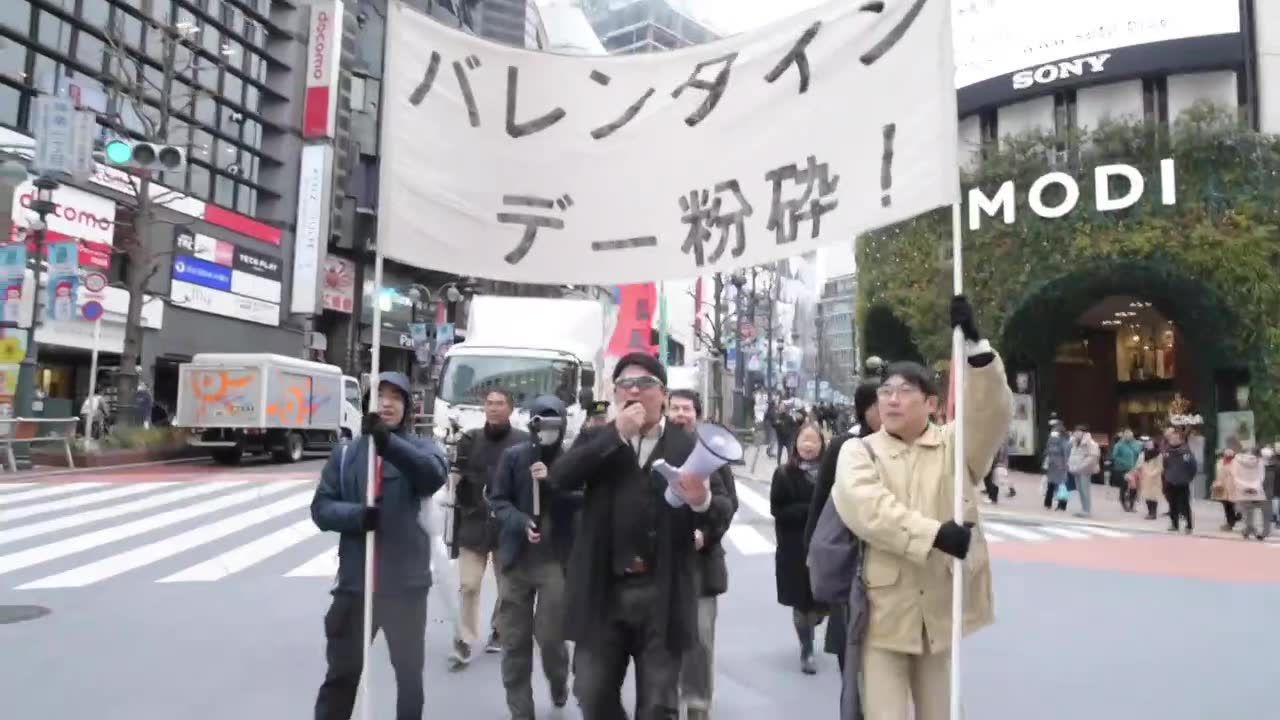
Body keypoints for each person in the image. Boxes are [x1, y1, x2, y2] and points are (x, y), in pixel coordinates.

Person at [831, 296, 1013, 720]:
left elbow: (992, 412)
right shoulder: (859, 452)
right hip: (883, 616)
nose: (891, 400)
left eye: (904, 392)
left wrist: (977, 350)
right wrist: (934, 534)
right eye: (885, 392)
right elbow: (866, 508)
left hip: (939, 613)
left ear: (931, 404)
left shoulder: (955, 446)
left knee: (944, 713)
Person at [548, 352, 721, 720]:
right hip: (604, 589)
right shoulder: (598, 437)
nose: (634, 391)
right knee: (592, 692)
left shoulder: (687, 445)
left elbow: (722, 504)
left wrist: (702, 501)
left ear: (663, 395)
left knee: (659, 705)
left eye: (645, 384)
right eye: (626, 384)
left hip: (663, 591)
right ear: (614, 394)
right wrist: (615, 433)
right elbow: (561, 478)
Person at [311, 371, 449, 720]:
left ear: (407, 407)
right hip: (356, 587)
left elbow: (432, 476)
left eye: (395, 397)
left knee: (408, 678)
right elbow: (321, 508)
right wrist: (357, 516)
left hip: (405, 589)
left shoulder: (422, 449)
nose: (386, 403)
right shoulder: (345, 455)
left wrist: (388, 444)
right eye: (379, 396)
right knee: (341, 676)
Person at [489, 396, 576, 719]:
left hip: (554, 562)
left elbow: (582, 500)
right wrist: (520, 522)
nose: (548, 431)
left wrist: (551, 483)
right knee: (514, 641)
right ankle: (520, 711)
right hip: (516, 562)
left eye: (555, 424)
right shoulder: (514, 458)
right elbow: (498, 501)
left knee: (551, 637)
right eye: (542, 423)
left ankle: (558, 681)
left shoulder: (572, 460)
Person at [668, 389, 737, 720]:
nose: (680, 414)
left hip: (700, 563)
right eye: (675, 408)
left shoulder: (711, 453)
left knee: (699, 640)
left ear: (697, 414)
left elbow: (727, 505)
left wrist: (706, 535)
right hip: (660, 562)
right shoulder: (656, 447)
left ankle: (697, 707)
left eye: (687, 409)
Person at [803, 382, 879, 679]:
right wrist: (812, 551)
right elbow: (821, 500)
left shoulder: (902, 443)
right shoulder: (845, 445)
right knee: (849, 639)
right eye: (878, 403)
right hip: (848, 555)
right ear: (864, 409)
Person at [450, 387, 529, 669]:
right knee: (468, 584)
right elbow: (455, 474)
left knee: (508, 587)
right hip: (473, 523)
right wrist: (450, 487)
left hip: (507, 525)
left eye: (499, 403)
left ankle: (499, 628)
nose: (493, 408)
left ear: (510, 408)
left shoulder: (523, 442)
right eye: (489, 403)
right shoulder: (470, 439)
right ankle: (466, 637)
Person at [771, 422, 828, 675]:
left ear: (821, 445)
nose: (808, 445)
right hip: (793, 548)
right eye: (803, 439)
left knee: (820, 602)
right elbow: (777, 510)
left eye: (813, 440)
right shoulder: (783, 473)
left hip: (823, 547)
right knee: (800, 602)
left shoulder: (830, 474)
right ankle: (806, 648)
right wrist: (810, 510)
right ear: (795, 443)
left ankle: (815, 619)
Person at [1163, 427, 1198, 534]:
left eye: (1175, 439)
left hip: (1183, 482)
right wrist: (1167, 476)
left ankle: (1189, 525)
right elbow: (1165, 465)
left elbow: (1193, 467)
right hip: (1170, 481)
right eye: (1171, 439)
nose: (1173, 441)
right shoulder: (1167, 452)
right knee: (1172, 504)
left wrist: (1188, 477)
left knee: (1184, 504)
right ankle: (1174, 524)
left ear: (1180, 439)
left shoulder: (1186, 452)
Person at [1067, 425, 1100, 518]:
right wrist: (1071, 466)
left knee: (1085, 490)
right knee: (1080, 490)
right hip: (1076, 470)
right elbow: (1072, 455)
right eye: (1075, 431)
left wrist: (1081, 466)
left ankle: (1087, 510)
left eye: (1078, 432)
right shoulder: (1074, 443)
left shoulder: (1091, 443)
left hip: (1085, 470)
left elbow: (1092, 457)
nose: (1076, 433)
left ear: (1084, 433)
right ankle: (1083, 509)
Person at [1111, 428, 1143, 512]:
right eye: (1126, 435)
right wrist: (1123, 462)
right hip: (1122, 469)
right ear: (1124, 435)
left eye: (1130, 435)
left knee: (1134, 487)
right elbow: (1114, 456)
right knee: (1124, 486)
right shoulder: (1119, 445)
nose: (1128, 437)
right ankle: (1124, 503)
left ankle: (1132, 505)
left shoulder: (1136, 444)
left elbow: (1139, 453)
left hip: (1133, 469)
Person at [1133, 437, 1164, 520]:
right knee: (1147, 496)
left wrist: (1152, 474)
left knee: (1153, 496)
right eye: (1148, 444)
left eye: (1150, 444)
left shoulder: (1158, 454)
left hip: (1154, 479)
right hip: (1145, 477)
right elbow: (1139, 464)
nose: (1149, 445)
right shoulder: (1143, 454)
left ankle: (1153, 513)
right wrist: (1138, 471)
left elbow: (1160, 467)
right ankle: (1149, 512)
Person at [1042, 420, 1070, 511]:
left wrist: (1065, 464)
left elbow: (1064, 451)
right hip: (1055, 464)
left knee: (1058, 485)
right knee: (1056, 485)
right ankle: (1056, 504)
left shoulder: (1060, 438)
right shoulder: (1058, 437)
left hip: (1058, 464)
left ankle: (1056, 504)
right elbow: (1047, 450)